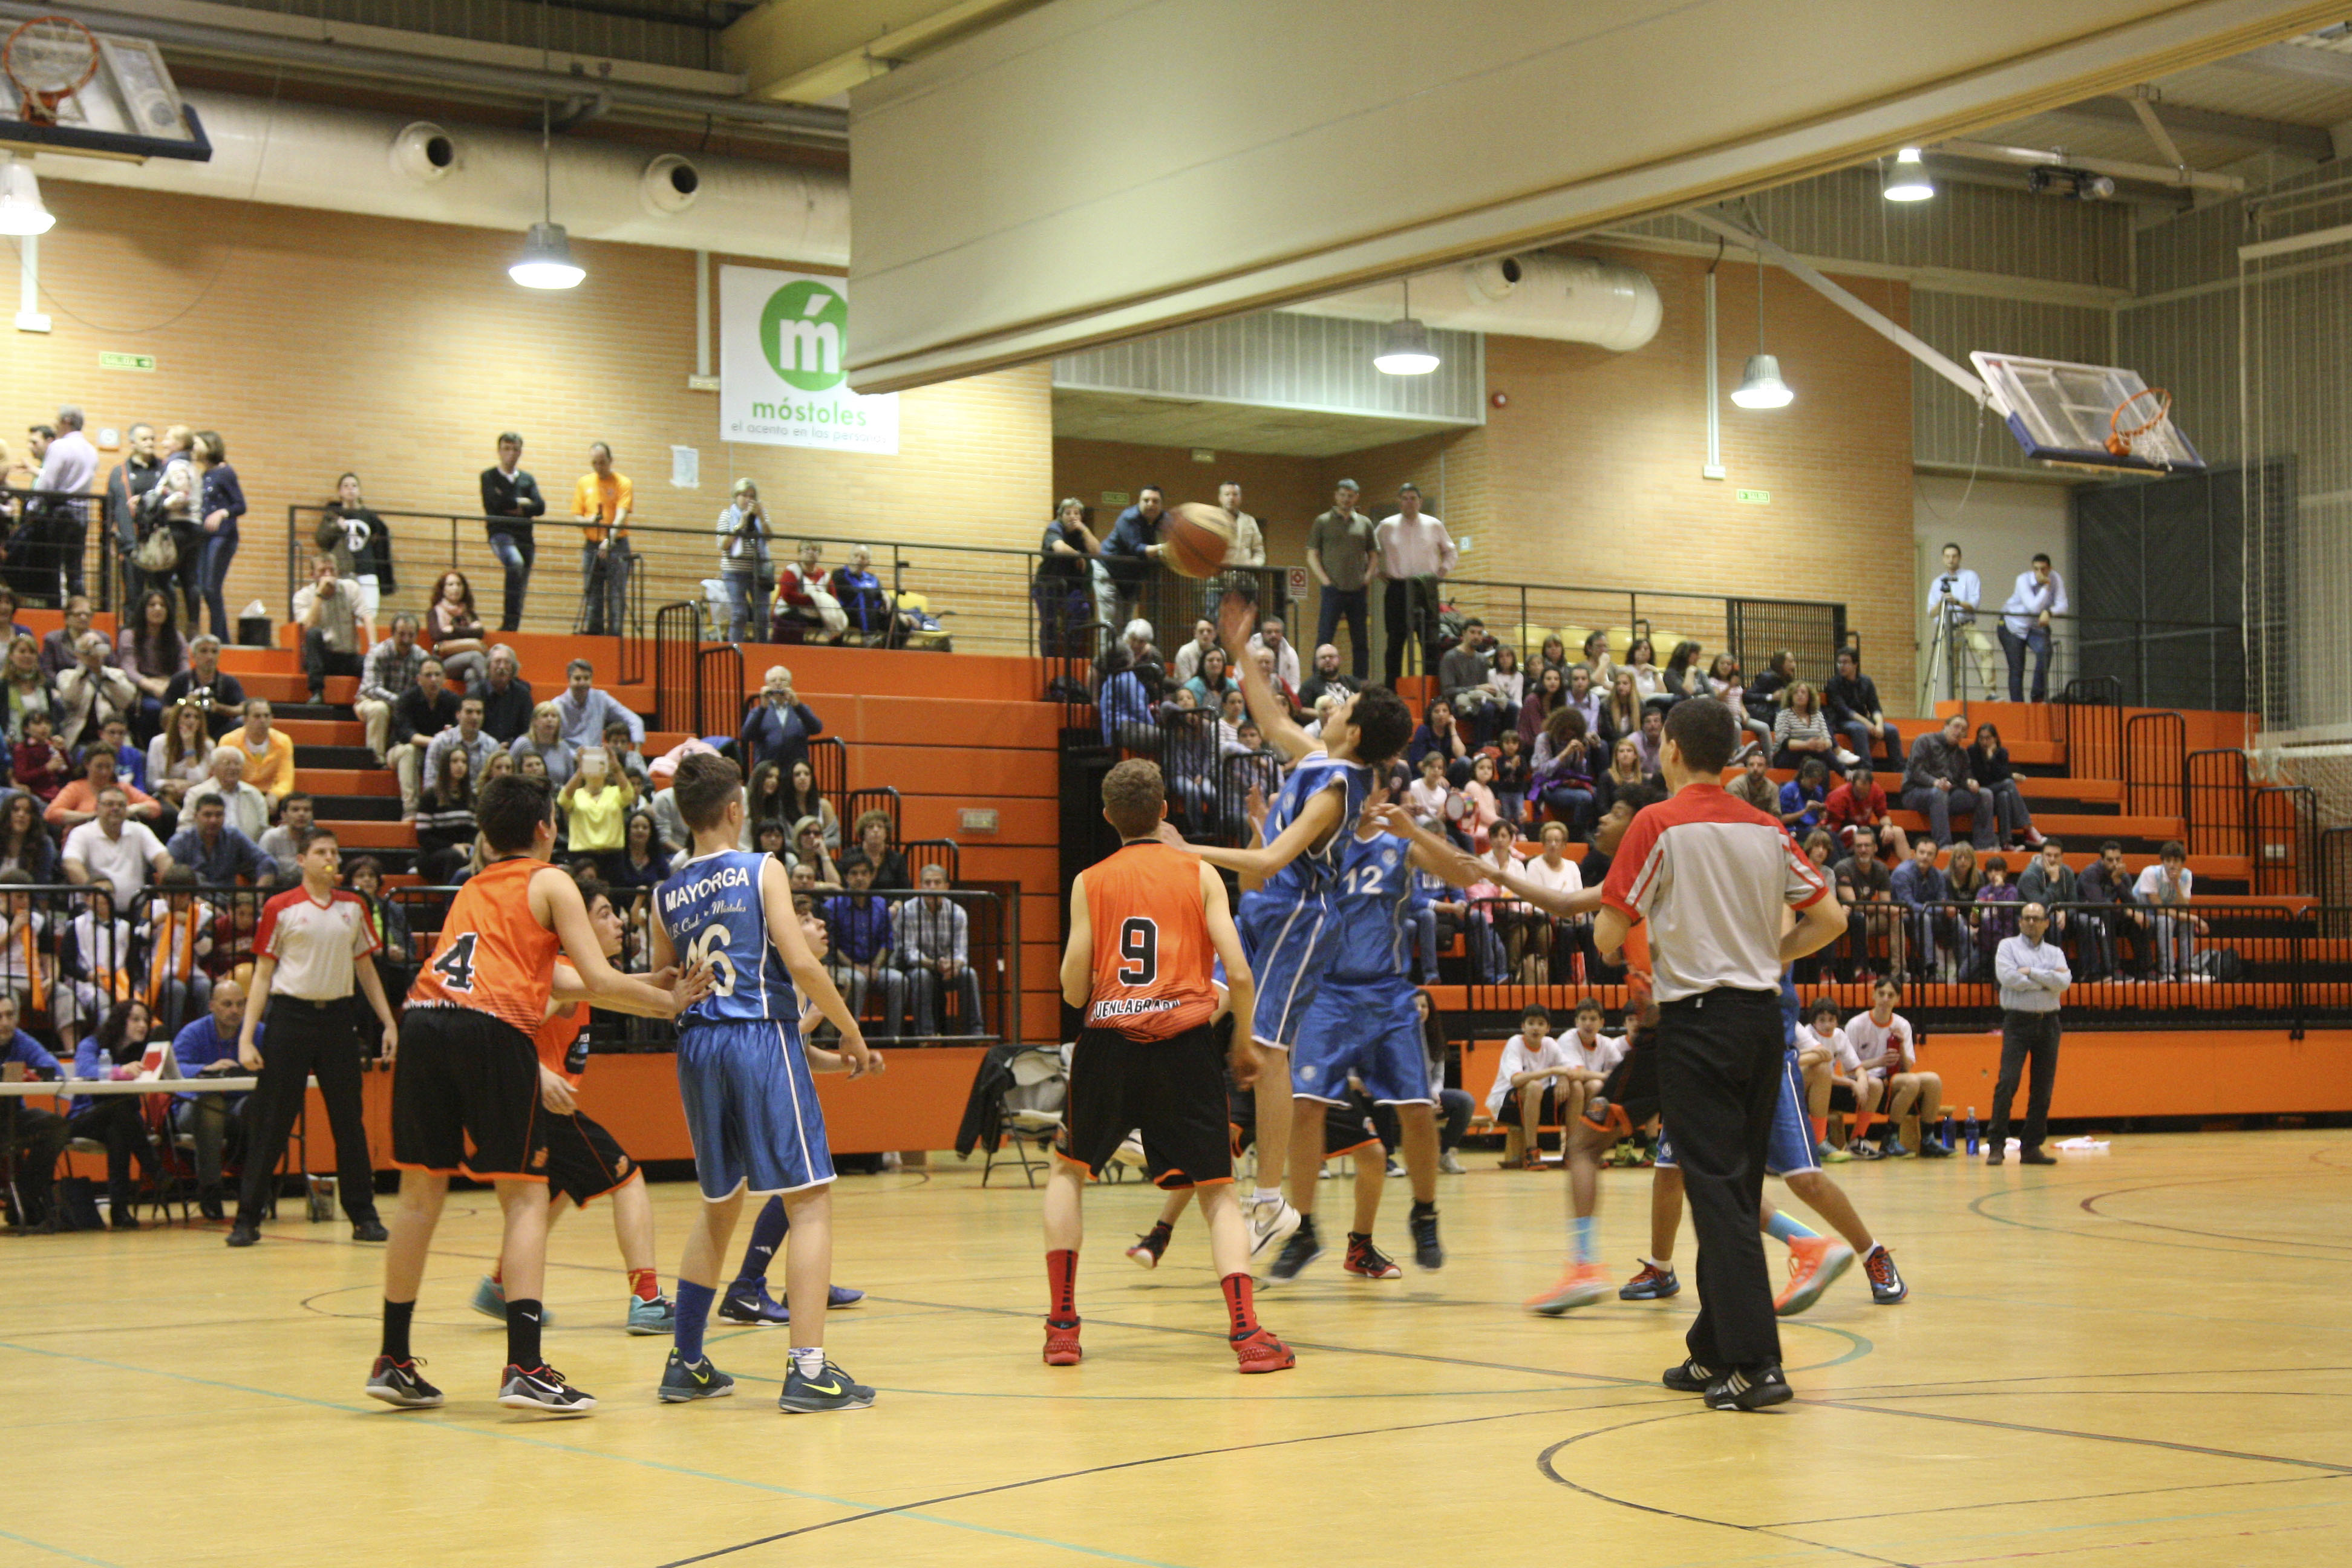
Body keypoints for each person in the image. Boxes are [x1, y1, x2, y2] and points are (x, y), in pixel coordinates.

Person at [370, 773, 704, 1415]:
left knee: (419, 1195)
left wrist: (647, 986)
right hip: (488, 1031)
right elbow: (597, 975)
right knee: (525, 1197)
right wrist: (669, 1001)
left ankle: (393, 1359)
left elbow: (560, 976)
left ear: (488, 835)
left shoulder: (473, 888)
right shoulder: (551, 881)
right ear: (546, 827)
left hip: (423, 1020)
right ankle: (524, 1365)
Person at [1595, 697, 1844, 1411]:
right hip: (1763, 1022)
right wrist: (1773, 949)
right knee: (1732, 1189)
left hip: (1697, 1024)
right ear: (1732, 754)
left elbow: (1609, 938)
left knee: (1716, 1195)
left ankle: (1757, 1363)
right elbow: (1830, 918)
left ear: (1669, 749)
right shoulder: (1767, 828)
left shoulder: (1656, 823)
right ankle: (1711, 1350)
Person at [1183, 592, 1413, 1259]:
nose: (1329, 706)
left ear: (1357, 733)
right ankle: (1163, 1124)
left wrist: (1184, 850)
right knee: (1205, 1003)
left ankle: (1270, 1200)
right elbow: (1269, 713)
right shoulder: (1318, 754)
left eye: (1341, 706)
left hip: (1299, 917)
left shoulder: (1339, 788)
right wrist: (1238, 648)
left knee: (1271, 1050)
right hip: (1266, 910)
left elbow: (1271, 858)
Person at [650, 753, 879, 1410]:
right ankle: (808, 1370)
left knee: (720, 1204)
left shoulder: (666, 891)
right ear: (733, 809)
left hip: (696, 1044)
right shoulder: (762, 869)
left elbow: (666, 983)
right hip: (756, 1034)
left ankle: (686, 1360)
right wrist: (851, 1031)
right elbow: (800, 961)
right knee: (809, 1199)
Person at [1047, 757, 1290, 1371]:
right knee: (1217, 1192)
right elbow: (1238, 971)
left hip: (1108, 1042)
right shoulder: (1200, 872)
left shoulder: (1090, 880)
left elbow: (1074, 990)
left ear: (1108, 818)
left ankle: (1063, 1328)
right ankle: (1248, 1335)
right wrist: (1243, 1041)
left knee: (1068, 1171)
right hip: (1184, 1043)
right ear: (1165, 810)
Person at [471, 879, 678, 1337]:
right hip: (536, 1102)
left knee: (556, 1191)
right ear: (575, 924)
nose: (618, 922)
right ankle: (647, 1298)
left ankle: (503, 1285)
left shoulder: (570, 973)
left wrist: (656, 986)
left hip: (519, 1104)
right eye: (604, 913)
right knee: (627, 1178)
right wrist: (538, 1073)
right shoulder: (557, 972)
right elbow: (507, 1032)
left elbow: (610, 994)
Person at [1266, 798, 1460, 1281]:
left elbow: (1462, 875)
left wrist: (1413, 829)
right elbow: (1265, 864)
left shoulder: (1399, 845)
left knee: (1417, 1109)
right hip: (1328, 992)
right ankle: (1306, 1230)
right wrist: (1269, 816)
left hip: (1387, 992)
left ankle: (1425, 1215)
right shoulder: (1318, 847)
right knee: (1306, 1106)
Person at [225, 827, 399, 1247]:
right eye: (321, 851)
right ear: (301, 860)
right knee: (272, 1120)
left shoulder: (354, 906)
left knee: (349, 1122)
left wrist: (389, 1022)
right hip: (290, 1018)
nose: (330, 858)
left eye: (335, 852)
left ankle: (364, 1215)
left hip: (338, 1020)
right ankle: (247, 1218)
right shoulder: (280, 907)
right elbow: (263, 974)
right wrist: (246, 1038)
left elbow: (366, 970)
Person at [1990, 902, 2069, 1165]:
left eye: (2037, 918)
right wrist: (2047, 981)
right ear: (2020, 921)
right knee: (2008, 1083)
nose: (2031, 923)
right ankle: (1996, 1145)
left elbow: (2064, 982)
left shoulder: (2055, 952)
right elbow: (2008, 978)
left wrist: (2031, 973)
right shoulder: (2007, 947)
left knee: (2042, 1089)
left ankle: (2032, 1147)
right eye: (2027, 918)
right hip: (2017, 1022)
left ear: (2047, 922)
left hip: (2049, 1023)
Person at [171, 981, 251, 1219]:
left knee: (259, 1107)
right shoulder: (192, 1032)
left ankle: (255, 1189)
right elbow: (175, 1069)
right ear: (212, 1006)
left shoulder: (255, 1032)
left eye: (240, 1004)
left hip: (238, 1106)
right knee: (211, 1105)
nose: (234, 1010)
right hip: (193, 1107)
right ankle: (211, 1189)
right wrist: (207, 1069)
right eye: (227, 1004)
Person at [1845, 978, 1945, 1158]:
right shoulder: (1856, 1024)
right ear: (1874, 994)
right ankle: (1890, 1138)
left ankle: (1928, 1140)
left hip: (1893, 1078)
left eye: (1891, 995)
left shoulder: (1902, 1025)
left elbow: (1907, 1067)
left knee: (1933, 1080)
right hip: (1864, 1079)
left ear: (1897, 999)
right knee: (1912, 1082)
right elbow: (1848, 1069)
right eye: (1882, 994)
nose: (1885, 999)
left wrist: (1900, 1048)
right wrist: (1879, 1061)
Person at [1374, 482, 1455, 684]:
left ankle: (1432, 689)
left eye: (1413, 498)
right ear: (1399, 502)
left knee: (1430, 641)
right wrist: (1376, 571)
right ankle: (1392, 690)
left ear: (1420, 502)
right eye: (1405, 499)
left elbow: (1450, 550)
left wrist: (1443, 570)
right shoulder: (1386, 525)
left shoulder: (1434, 524)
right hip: (1397, 588)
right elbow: (1369, 551)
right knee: (1395, 642)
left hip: (1425, 588)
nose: (1409, 502)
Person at [895, 862, 982, 1037]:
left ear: (946, 886)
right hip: (916, 967)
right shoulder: (908, 910)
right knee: (923, 976)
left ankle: (975, 1033)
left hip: (948, 969)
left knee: (969, 974)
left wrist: (954, 964)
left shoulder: (958, 912)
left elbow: (961, 951)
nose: (932, 887)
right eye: (927, 883)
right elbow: (909, 952)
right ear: (920, 886)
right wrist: (934, 964)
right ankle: (926, 1035)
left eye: (937, 882)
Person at [1488, 1004, 1572, 1168]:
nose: (1536, 1028)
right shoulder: (1515, 1043)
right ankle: (1531, 1151)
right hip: (1503, 1104)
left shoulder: (1550, 1044)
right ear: (1523, 1026)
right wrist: (1553, 1070)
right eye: (1531, 1023)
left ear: (1548, 1028)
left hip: (1534, 1102)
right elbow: (1517, 1081)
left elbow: (1569, 1069)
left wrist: (1563, 1078)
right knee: (1534, 1086)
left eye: (1541, 1024)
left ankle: (1571, 1151)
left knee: (1575, 1087)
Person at [62, 786, 171, 910]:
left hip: (136, 909)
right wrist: (95, 896)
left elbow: (163, 858)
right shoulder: (81, 833)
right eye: (109, 804)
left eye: (121, 805)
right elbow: (71, 864)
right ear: (97, 808)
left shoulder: (140, 830)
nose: (116, 809)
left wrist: (166, 890)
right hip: (92, 910)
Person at [480, 431, 546, 632]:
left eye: (515, 449)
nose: (511, 453)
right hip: (500, 533)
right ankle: (508, 624)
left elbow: (541, 507)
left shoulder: (527, 479)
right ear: (499, 451)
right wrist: (523, 503)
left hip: (525, 536)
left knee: (521, 583)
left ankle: (513, 625)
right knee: (515, 564)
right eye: (507, 449)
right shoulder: (489, 476)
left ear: (520, 452)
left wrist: (512, 504)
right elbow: (494, 504)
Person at [1904, 713, 1996, 851]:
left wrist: (1971, 782)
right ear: (1946, 727)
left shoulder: (1962, 754)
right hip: (1916, 792)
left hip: (1948, 796)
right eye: (1956, 726)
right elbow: (1916, 771)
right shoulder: (1924, 741)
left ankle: (1985, 845)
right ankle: (1944, 845)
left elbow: (1966, 777)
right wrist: (1935, 782)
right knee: (1939, 792)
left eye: (1963, 729)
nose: (1959, 731)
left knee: (1985, 794)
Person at [320, 472, 395, 631]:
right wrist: (336, 528)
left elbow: (383, 536)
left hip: (367, 570)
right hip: (344, 570)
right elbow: (322, 540)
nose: (350, 490)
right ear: (340, 492)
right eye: (346, 486)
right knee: (343, 612)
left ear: (359, 491)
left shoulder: (369, 516)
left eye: (354, 486)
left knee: (369, 612)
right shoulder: (333, 515)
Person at [572, 443, 633, 638]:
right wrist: (587, 521)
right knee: (593, 590)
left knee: (616, 592)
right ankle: (594, 631)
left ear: (611, 460)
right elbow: (576, 516)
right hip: (591, 544)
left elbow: (621, 515)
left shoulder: (623, 483)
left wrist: (610, 539)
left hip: (617, 544)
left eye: (603, 462)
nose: (599, 467)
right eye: (595, 463)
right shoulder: (584, 483)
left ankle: (615, 634)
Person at [190, 431, 243, 639]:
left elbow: (240, 504)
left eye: (197, 444)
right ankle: (221, 637)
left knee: (211, 587)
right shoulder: (206, 474)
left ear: (210, 446)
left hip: (223, 536)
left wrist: (222, 513)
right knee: (206, 588)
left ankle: (220, 638)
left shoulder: (225, 472)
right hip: (206, 537)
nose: (193, 449)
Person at [1926, 542, 1999, 696]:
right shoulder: (1937, 582)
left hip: (1967, 625)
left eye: (1954, 556)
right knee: (1953, 666)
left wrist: (1957, 602)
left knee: (1986, 649)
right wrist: (1942, 602)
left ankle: (1990, 692)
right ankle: (1956, 701)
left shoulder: (1970, 576)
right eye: (1947, 557)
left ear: (1960, 558)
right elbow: (1931, 612)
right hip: (1948, 628)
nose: (1951, 560)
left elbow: (1975, 604)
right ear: (1943, 559)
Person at [293, 555, 365, 703]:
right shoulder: (302, 596)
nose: (328, 575)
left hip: (348, 657)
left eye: (332, 570)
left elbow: (366, 616)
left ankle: (367, 698)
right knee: (314, 633)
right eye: (323, 571)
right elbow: (309, 625)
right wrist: (319, 594)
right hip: (323, 658)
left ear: (338, 572)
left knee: (371, 662)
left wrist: (374, 646)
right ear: (312, 575)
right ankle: (317, 693)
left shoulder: (350, 588)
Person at [1999, 552, 2069, 702]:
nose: (2040, 573)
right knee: (2017, 667)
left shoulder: (2056, 578)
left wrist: (2049, 612)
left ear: (2050, 568)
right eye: (2036, 569)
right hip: (2013, 626)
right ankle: (2018, 705)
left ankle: (2037, 696)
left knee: (2045, 651)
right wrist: (2046, 587)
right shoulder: (2023, 580)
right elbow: (2034, 608)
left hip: (2034, 627)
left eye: (2043, 569)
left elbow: (2063, 605)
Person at [106, 422, 163, 605]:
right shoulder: (120, 472)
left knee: (161, 596)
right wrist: (112, 538)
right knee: (133, 596)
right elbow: (110, 508)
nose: (150, 443)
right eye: (144, 439)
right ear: (132, 443)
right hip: (132, 545)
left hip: (159, 545)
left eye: (152, 439)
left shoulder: (164, 469)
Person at [54, 632, 137, 753]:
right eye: (88, 649)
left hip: (113, 738)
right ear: (78, 653)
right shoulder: (67, 676)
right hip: (80, 739)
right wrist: (85, 668)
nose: (94, 652)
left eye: (98, 646)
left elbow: (126, 701)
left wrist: (101, 673)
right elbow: (71, 699)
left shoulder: (117, 675)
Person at [2135, 840, 2206, 982]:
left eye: (2176, 861)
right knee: (2166, 921)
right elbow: (2159, 910)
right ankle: (2166, 971)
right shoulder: (2150, 873)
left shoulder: (2186, 876)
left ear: (2182, 863)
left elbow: (2183, 906)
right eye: (2168, 860)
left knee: (2186, 924)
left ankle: (2187, 971)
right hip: (2144, 915)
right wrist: (2195, 918)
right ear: (2163, 861)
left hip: (2166, 913)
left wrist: (2176, 884)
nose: (2172, 865)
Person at [714, 479, 773, 642]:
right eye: (744, 495)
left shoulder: (762, 513)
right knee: (740, 614)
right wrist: (739, 525)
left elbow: (769, 537)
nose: (748, 499)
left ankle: (762, 648)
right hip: (734, 571)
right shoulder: (726, 515)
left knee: (762, 615)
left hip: (759, 571)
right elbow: (723, 544)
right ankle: (736, 648)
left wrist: (761, 517)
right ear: (736, 496)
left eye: (752, 496)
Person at [1968, 722, 2042, 848]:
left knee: (2004, 796)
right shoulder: (1972, 751)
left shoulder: (2002, 752)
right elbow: (1982, 778)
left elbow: (2002, 774)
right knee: (2008, 783)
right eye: (1981, 738)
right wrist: (2010, 775)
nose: (1984, 742)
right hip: (1981, 790)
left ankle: (2006, 843)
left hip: (1997, 791)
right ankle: (2027, 827)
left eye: (1988, 738)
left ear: (1995, 738)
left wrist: (1991, 756)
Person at [1823, 648, 1900, 766]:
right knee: (1859, 729)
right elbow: (1844, 710)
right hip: (1842, 721)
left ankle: (1899, 769)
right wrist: (1867, 723)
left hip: (1862, 719)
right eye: (1839, 662)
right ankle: (1866, 768)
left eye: (1846, 662)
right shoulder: (1833, 684)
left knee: (1891, 730)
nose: (1841, 666)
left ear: (1855, 665)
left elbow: (1875, 708)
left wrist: (1879, 725)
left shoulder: (1866, 681)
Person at [161, 633, 247, 737]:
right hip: (185, 731)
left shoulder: (228, 682)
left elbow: (243, 709)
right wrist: (184, 703)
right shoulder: (180, 680)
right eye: (204, 651)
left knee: (241, 722)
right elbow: (165, 714)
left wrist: (220, 708)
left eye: (214, 652)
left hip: (219, 732)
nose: (210, 657)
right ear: (193, 656)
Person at [184, 746, 269, 841]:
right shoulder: (197, 793)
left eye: (237, 764)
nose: (233, 768)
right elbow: (185, 827)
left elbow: (263, 830)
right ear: (213, 768)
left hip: (247, 852)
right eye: (227, 764)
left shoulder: (254, 794)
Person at [554, 659, 644, 749]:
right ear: (569, 680)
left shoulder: (602, 698)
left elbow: (634, 720)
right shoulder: (557, 705)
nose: (582, 683)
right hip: (569, 759)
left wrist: (637, 752)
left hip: (596, 757)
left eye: (586, 678)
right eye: (578, 679)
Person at [422, 570, 489, 691]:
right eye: (451, 585)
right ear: (443, 589)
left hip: (466, 664)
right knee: (476, 656)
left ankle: (472, 704)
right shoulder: (434, 612)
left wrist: (454, 629)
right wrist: (468, 632)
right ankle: (494, 689)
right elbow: (437, 635)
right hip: (445, 663)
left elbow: (479, 633)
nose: (456, 588)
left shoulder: (469, 613)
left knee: (471, 674)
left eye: (459, 584)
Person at [235, 699, 297, 808]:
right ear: (245, 719)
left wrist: (275, 794)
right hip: (241, 794)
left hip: (270, 795)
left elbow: (286, 780)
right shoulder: (229, 741)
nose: (263, 720)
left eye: (267, 716)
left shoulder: (283, 741)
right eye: (257, 716)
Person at [1771, 681, 1838, 773]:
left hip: (1814, 752)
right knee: (1815, 760)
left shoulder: (1817, 715)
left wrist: (1824, 744)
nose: (1800, 695)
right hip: (1788, 754)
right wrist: (1807, 745)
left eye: (1803, 692)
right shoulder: (1783, 715)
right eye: (1796, 692)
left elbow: (1828, 739)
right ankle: (1844, 772)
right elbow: (1784, 742)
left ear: (1809, 697)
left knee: (1822, 758)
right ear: (1791, 696)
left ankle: (1845, 773)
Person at [476, 645, 533, 743]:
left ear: (513, 668)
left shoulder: (523, 695)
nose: (502, 667)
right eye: (498, 662)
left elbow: (527, 730)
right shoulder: (476, 693)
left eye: (507, 662)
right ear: (489, 666)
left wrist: (511, 745)